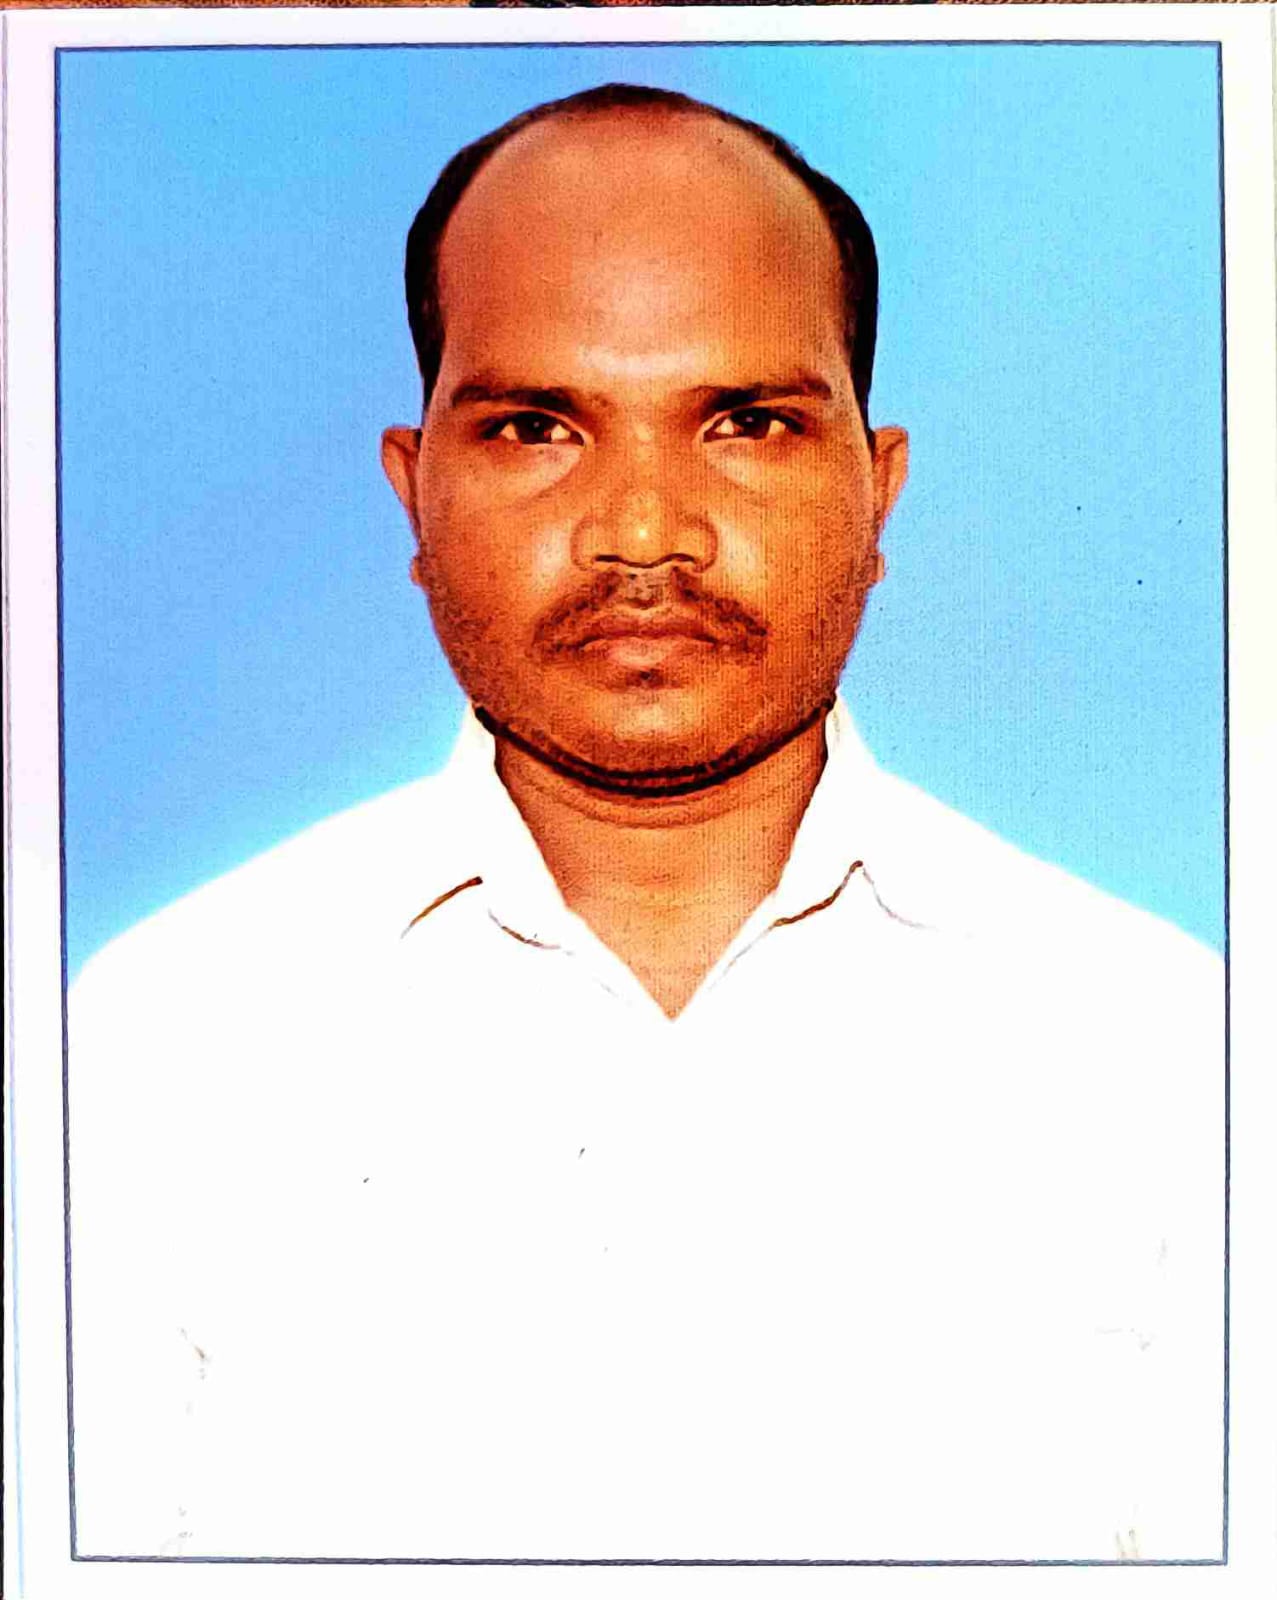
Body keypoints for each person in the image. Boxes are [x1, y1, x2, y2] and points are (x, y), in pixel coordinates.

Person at [68, 84, 1223, 1563]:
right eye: (536, 426)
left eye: (746, 422)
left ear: (876, 491)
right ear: (415, 493)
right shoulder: (158, 1044)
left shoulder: (1168, 1051)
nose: (642, 534)